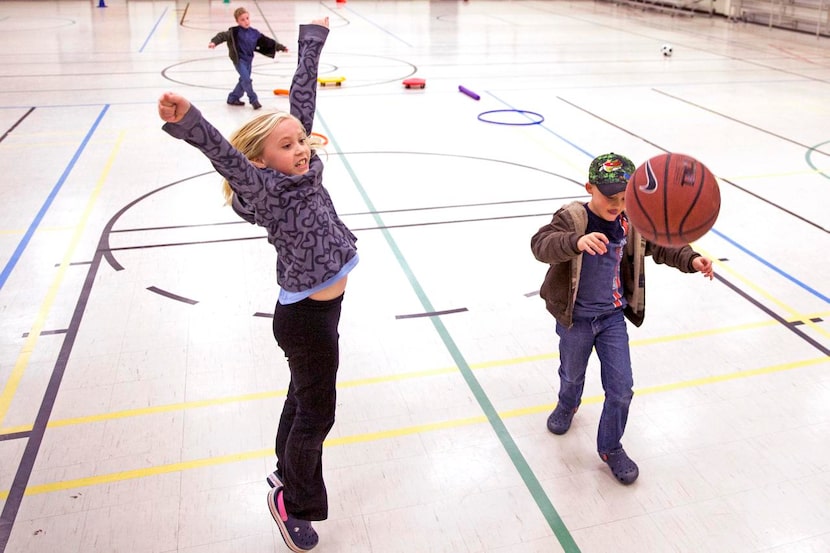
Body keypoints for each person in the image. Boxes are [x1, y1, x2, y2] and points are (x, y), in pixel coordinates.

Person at [159, 17, 356, 552]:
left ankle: (282, 471)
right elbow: (223, 154)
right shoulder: (267, 189)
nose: (301, 149)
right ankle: (294, 500)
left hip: (323, 313)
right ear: (260, 163)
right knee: (318, 413)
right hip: (305, 320)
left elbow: (303, 100)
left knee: (302, 397)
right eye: (287, 146)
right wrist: (191, 120)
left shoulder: (304, 169)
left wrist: (311, 40)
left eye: (300, 142)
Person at [530, 152, 714, 485]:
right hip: (577, 319)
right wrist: (576, 242)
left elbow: (663, 246)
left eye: (624, 198)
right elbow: (541, 245)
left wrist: (691, 258)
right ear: (589, 188)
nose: (617, 204)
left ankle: (610, 446)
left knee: (622, 389)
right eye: (609, 197)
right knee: (573, 375)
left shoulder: (634, 222)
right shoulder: (572, 219)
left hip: (612, 319)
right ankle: (567, 403)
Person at [209, 6, 287, 110]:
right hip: (239, 60)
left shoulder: (254, 33)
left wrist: (281, 47)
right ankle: (253, 100)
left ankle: (233, 98)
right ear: (237, 21)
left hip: (248, 60)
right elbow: (222, 36)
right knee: (246, 80)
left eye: (247, 18)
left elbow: (267, 42)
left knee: (243, 81)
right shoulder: (234, 32)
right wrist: (214, 42)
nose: (246, 21)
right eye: (242, 19)